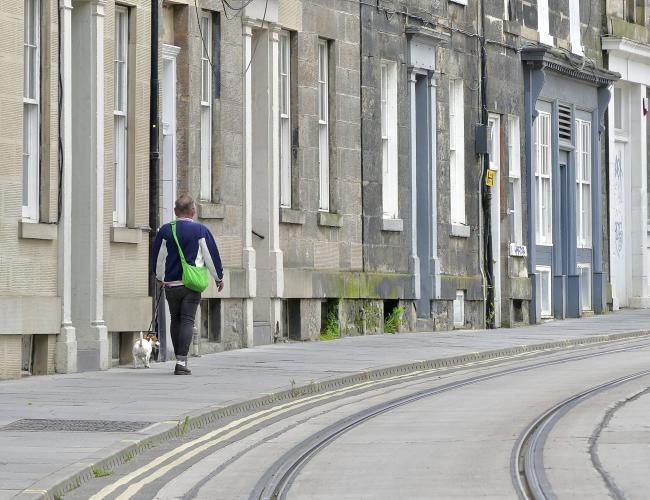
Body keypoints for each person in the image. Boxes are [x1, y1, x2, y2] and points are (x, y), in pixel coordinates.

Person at [152, 194, 224, 375]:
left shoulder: (166, 231)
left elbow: (158, 258)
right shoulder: (200, 231)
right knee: (187, 320)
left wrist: (160, 277)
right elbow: (210, 256)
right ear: (193, 211)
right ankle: (182, 363)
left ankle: (179, 358)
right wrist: (218, 277)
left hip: (171, 285)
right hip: (191, 285)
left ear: (175, 211)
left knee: (175, 320)